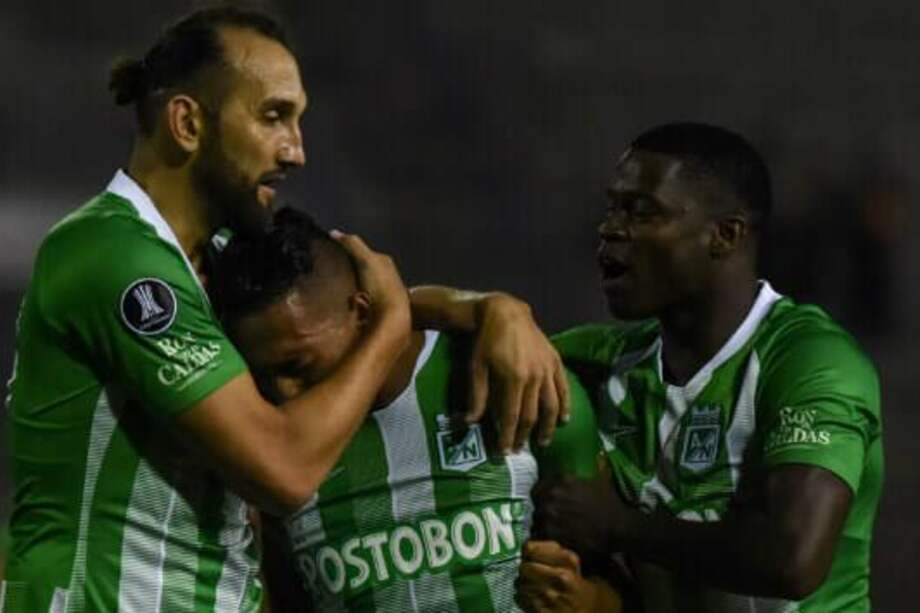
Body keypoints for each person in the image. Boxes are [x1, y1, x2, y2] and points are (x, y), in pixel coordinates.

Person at [3, 7, 567, 612]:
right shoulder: (113, 257)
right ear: (188, 123)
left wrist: (494, 309)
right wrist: (394, 326)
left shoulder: (214, 258)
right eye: (274, 117)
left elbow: (335, 307)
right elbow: (284, 472)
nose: (296, 151)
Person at [518, 123, 882, 612]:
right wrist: (499, 313)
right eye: (613, 206)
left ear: (724, 235)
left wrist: (616, 524)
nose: (610, 228)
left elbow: (793, 559)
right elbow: (433, 343)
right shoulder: (602, 360)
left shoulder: (808, 360)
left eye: (641, 210)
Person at [207, 207, 616, 613]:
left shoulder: (509, 373)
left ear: (364, 313)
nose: (282, 392)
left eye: (296, 366)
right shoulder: (268, 450)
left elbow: (625, 579)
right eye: (261, 374)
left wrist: (594, 602)